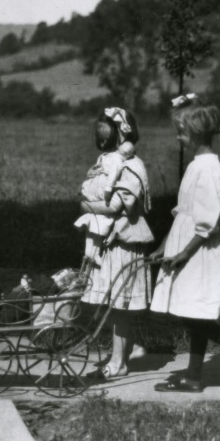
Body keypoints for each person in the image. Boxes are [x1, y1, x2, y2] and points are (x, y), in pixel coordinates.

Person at [148, 94, 220, 393]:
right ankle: (193, 377)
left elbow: (208, 220)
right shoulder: (197, 165)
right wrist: (165, 244)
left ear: (197, 131)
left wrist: (184, 253)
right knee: (194, 311)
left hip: (201, 249)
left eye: (181, 130)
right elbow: (185, 211)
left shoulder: (208, 168)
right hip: (188, 244)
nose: (178, 136)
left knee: (193, 313)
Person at [76, 107, 154, 380]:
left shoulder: (132, 166)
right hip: (104, 239)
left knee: (119, 304)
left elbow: (119, 203)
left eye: (107, 128)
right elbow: (87, 195)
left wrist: (89, 205)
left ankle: (119, 361)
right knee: (112, 301)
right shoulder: (105, 160)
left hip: (122, 239)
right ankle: (128, 349)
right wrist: (92, 203)